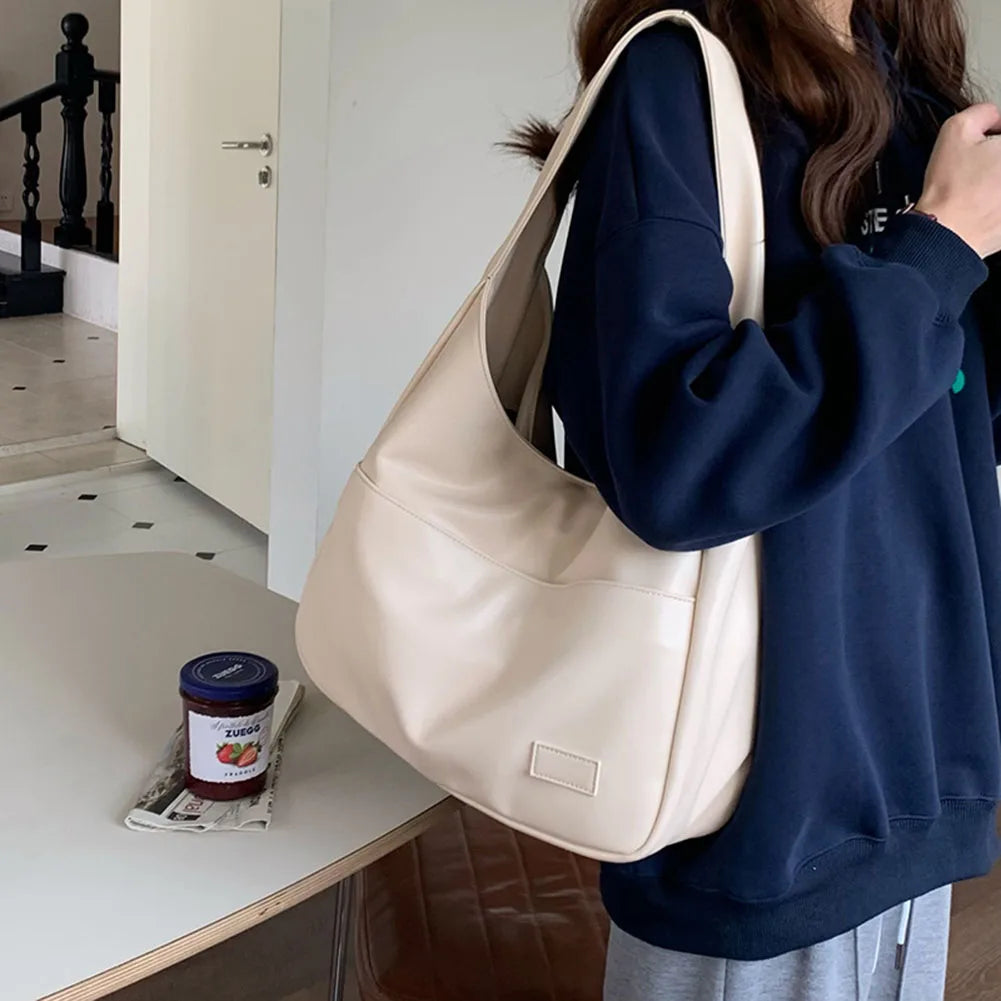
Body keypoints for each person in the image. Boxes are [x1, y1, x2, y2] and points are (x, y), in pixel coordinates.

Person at [513, 0, 1001, 998]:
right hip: (759, 796)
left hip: (912, 757)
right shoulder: (675, 76)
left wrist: (960, 260)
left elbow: (951, 422)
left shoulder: (912, 92)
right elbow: (673, 460)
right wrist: (937, 246)